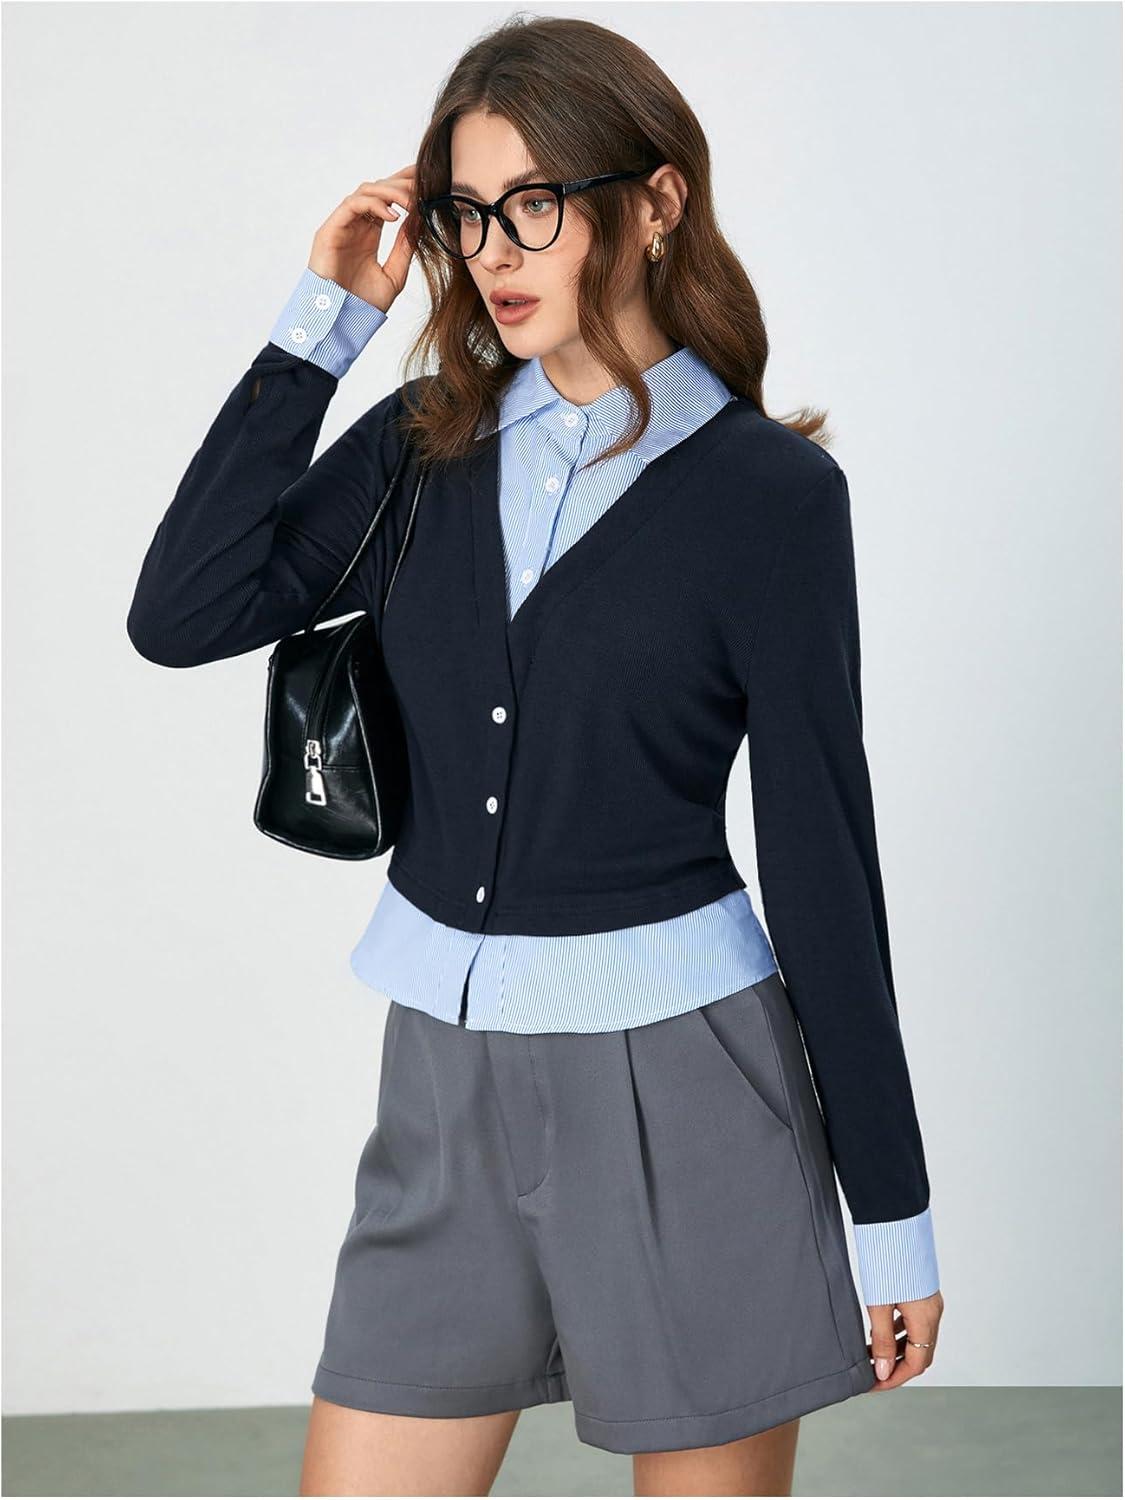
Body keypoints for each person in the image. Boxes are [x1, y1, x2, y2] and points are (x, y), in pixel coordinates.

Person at [127, 14, 943, 1497]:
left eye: (534, 205)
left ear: (657, 202)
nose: (492, 253)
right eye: (465, 212)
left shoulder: (767, 499)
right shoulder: (421, 446)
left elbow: (824, 857)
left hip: (687, 1085)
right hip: (444, 1085)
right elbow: (180, 614)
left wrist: (889, 1211)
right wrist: (322, 326)